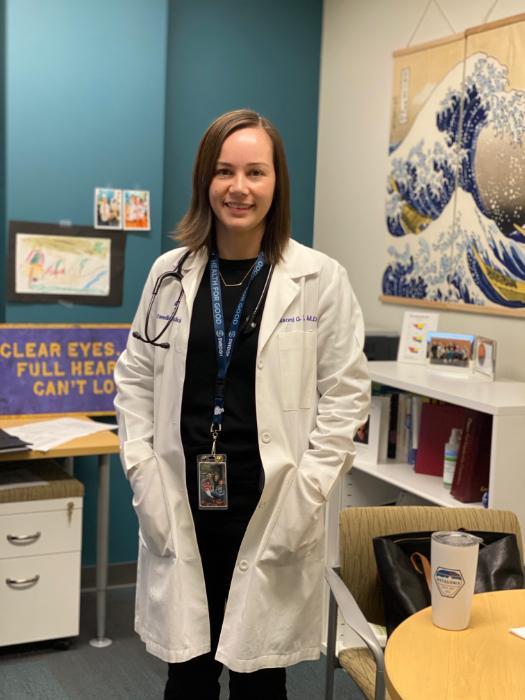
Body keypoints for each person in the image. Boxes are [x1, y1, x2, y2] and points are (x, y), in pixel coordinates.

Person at [114, 108, 370, 700]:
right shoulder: (168, 275)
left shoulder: (319, 279)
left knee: (260, 682)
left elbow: (346, 394)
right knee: (189, 677)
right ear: (206, 180)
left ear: (276, 183)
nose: (239, 187)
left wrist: (307, 493)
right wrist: (143, 474)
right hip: (184, 502)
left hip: (271, 504)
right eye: (225, 171)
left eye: (256, 172)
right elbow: (134, 381)